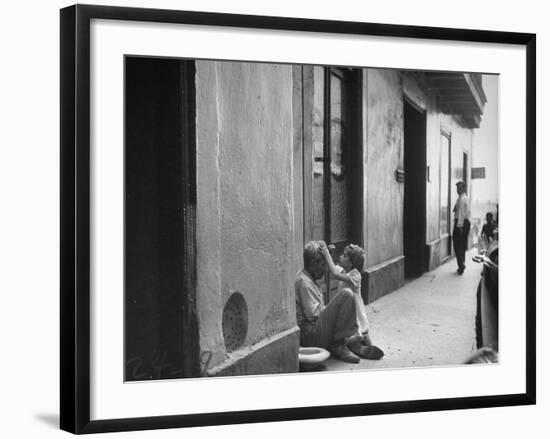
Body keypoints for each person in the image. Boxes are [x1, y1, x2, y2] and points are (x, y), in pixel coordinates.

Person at [295, 241, 383, 364]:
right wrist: (333, 311)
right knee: (346, 295)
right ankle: (341, 344)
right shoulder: (304, 283)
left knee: (345, 301)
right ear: (314, 263)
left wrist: (328, 254)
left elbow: (334, 270)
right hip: (311, 336)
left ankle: (346, 343)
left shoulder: (310, 277)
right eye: (323, 264)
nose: (325, 268)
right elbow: (313, 315)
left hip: (316, 328)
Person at [319, 243, 384, 360]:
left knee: (359, 330)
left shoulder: (355, 275)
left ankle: (356, 343)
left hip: (354, 309)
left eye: (344, 256)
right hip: (347, 307)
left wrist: (326, 253)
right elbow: (332, 267)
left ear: (352, 263)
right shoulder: (344, 270)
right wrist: (330, 254)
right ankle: (359, 345)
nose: (341, 257)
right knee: (356, 330)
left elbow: (335, 273)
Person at [452, 181, 471, 275]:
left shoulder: (462, 199)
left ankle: (461, 266)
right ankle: (461, 264)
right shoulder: (464, 198)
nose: (457, 189)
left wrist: (459, 227)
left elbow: (461, 214)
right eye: (457, 188)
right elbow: (458, 210)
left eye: (459, 188)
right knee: (462, 245)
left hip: (461, 223)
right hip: (465, 223)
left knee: (457, 245)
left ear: (463, 188)